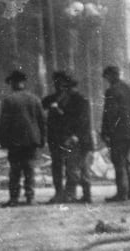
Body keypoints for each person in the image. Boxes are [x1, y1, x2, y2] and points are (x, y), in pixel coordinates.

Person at [0, 68, 45, 207]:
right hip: (31, 141)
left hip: (15, 142)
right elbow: (42, 121)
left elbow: (4, 123)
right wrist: (42, 139)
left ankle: (14, 198)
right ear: (24, 83)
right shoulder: (35, 99)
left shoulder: (8, 100)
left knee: (15, 170)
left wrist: (2, 140)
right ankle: (30, 197)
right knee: (29, 169)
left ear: (12, 83)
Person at [49, 71, 95, 203]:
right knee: (83, 168)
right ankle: (86, 195)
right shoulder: (79, 100)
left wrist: (74, 136)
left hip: (77, 140)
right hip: (83, 139)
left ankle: (70, 195)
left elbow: (81, 121)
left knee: (73, 168)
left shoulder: (77, 101)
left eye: (67, 87)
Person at [100, 65, 130, 202]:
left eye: (106, 77)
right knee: (126, 161)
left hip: (118, 132)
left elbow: (109, 114)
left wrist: (105, 132)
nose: (106, 80)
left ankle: (122, 193)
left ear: (111, 76)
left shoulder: (112, 91)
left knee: (118, 162)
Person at [41, 72, 68, 202]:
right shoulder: (48, 99)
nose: (59, 86)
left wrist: (57, 110)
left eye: (62, 83)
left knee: (69, 165)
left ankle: (68, 193)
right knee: (57, 165)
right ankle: (59, 192)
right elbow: (40, 113)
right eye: (57, 83)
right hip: (54, 137)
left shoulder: (71, 100)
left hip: (67, 137)